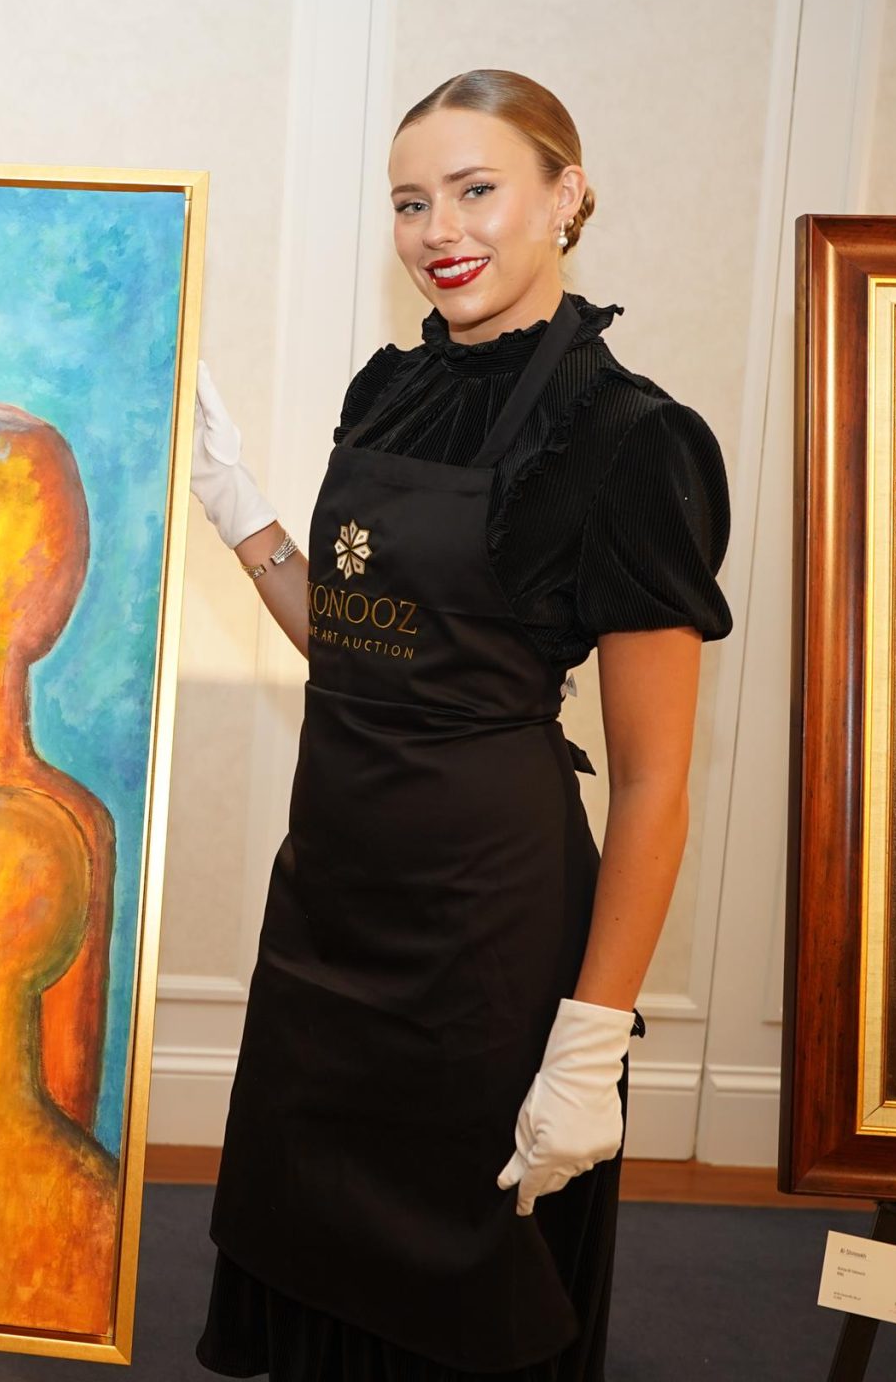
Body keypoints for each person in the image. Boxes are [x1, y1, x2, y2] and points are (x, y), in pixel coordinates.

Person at [190, 70, 732, 1379]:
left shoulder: (630, 439)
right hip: (331, 902)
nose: (440, 229)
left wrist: (590, 1040)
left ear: (566, 193)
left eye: (476, 189)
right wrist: (237, 506)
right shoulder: (391, 391)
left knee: (458, 1290)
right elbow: (364, 645)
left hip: (487, 936)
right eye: (410, 202)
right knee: (310, 1239)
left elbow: (655, 784)